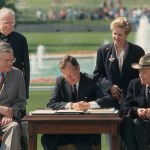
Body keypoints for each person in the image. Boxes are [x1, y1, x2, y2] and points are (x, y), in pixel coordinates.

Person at [41, 55, 114, 150]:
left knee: (82, 141)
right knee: (47, 138)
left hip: (87, 128)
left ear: (78, 68)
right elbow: (51, 103)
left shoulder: (91, 80)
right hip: (65, 128)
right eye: (66, 75)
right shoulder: (60, 81)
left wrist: (88, 105)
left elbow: (108, 100)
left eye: (71, 75)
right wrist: (71, 105)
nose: (69, 78)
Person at [93, 16, 145, 108]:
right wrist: (109, 86)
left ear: (126, 35)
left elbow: (141, 75)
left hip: (132, 100)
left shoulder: (138, 51)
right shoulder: (103, 51)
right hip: (110, 99)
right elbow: (98, 74)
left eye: (120, 35)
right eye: (114, 33)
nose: (116, 37)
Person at [120, 53, 150, 150]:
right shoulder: (134, 84)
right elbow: (124, 108)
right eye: (139, 71)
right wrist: (137, 111)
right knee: (126, 121)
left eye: (144, 72)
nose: (140, 75)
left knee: (137, 123)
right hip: (138, 124)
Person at [0, 41, 26, 149]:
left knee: (14, 127)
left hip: (8, 121)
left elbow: (21, 102)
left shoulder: (18, 74)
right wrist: (2, 109)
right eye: (6, 60)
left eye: (12, 60)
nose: (10, 63)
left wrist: (10, 113)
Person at [0, 7, 30, 99]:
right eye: (6, 23)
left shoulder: (21, 39)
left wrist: (25, 92)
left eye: (12, 22)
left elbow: (26, 67)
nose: (9, 25)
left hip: (15, 86)